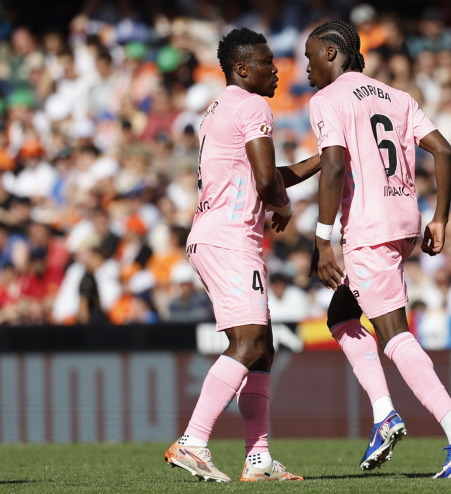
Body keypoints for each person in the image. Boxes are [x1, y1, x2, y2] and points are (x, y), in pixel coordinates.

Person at [304, 20, 451, 479]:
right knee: (342, 317)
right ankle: (384, 414)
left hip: (368, 227)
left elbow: (333, 165)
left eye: (309, 58)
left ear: (330, 53)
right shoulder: (395, 96)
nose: (305, 69)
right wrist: (440, 217)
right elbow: (443, 151)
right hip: (404, 220)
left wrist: (324, 238)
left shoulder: (327, 99)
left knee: (393, 334)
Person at [164, 28, 321, 483]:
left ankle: (259, 460)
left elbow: (257, 173)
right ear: (242, 68)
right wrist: (284, 205)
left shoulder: (217, 107)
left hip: (215, 235)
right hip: (230, 238)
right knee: (249, 342)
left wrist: (322, 158)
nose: (276, 70)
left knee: (262, 349)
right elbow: (267, 179)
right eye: (267, 63)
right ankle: (193, 441)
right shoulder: (253, 105)